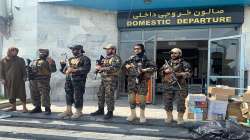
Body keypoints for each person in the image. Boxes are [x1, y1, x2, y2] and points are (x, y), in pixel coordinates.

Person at [123, 44, 156, 123]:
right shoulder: (131, 59)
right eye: (135, 49)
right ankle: (133, 114)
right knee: (131, 99)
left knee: (142, 99)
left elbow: (154, 68)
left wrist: (144, 70)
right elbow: (123, 68)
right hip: (131, 82)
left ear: (142, 49)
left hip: (142, 82)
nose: (136, 50)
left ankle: (142, 115)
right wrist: (126, 67)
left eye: (138, 49)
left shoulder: (146, 59)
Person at [159, 48, 191, 124]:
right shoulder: (167, 64)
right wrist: (164, 71)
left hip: (180, 86)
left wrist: (176, 74)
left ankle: (180, 118)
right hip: (168, 86)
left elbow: (188, 74)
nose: (173, 54)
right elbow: (160, 73)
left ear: (180, 54)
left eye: (175, 53)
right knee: (167, 102)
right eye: (171, 53)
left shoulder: (184, 64)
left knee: (180, 103)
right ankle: (169, 117)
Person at [58, 45, 91, 119]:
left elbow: (86, 69)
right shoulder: (70, 59)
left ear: (80, 50)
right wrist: (62, 65)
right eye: (72, 50)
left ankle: (79, 111)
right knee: (68, 95)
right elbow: (65, 71)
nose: (73, 51)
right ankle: (68, 110)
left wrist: (74, 70)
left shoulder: (85, 59)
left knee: (78, 96)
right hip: (69, 80)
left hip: (79, 81)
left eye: (75, 50)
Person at [90, 44, 122, 119]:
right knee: (100, 95)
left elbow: (115, 68)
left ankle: (110, 112)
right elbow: (101, 67)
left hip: (111, 80)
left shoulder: (116, 58)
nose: (107, 50)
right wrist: (97, 68)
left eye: (109, 49)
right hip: (103, 80)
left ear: (113, 50)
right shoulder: (105, 58)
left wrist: (103, 68)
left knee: (109, 96)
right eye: (106, 49)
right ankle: (100, 110)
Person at [0, 47, 28, 112]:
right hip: (8, 80)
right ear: (9, 51)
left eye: (16, 51)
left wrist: (25, 76)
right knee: (11, 94)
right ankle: (13, 107)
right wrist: (2, 79)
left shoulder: (20, 60)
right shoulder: (3, 60)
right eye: (13, 51)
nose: (15, 52)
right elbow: (1, 71)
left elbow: (24, 69)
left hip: (19, 80)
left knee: (22, 94)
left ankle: (24, 108)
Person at [29, 49, 57, 115]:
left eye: (43, 52)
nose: (41, 53)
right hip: (34, 79)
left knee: (45, 94)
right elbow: (32, 69)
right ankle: (37, 107)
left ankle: (47, 108)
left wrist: (50, 63)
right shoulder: (35, 60)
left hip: (44, 80)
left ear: (47, 53)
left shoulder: (49, 60)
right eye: (40, 52)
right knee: (34, 93)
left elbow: (53, 70)